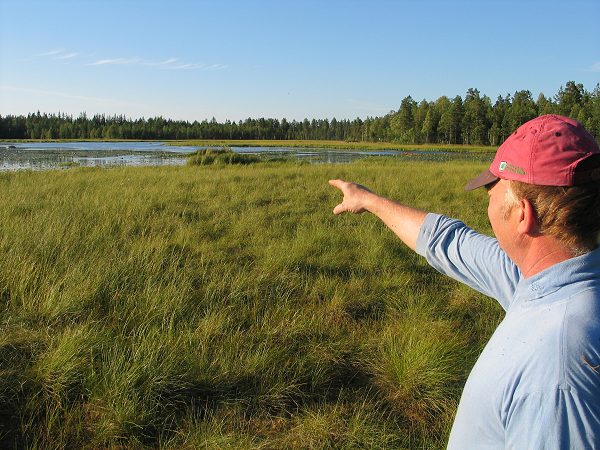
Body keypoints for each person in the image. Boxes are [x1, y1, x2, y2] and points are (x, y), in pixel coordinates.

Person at [329, 114, 600, 449]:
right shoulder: (544, 277)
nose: (487, 199)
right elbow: (451, 243)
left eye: (493, 189)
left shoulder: (558, 370)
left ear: (522, 214)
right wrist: (369, 200)